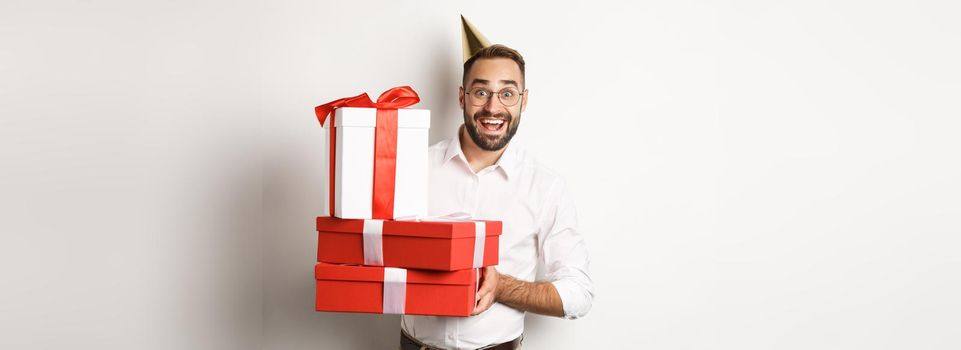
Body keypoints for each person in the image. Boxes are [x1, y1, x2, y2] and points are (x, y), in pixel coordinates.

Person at [399, 44, 594, 350]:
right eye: (480, 92)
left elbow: (578, 294)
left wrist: (502, 287)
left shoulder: (545, 186)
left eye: (507, 93)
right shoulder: (412, 168)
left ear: (523, 101)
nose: (493, 107)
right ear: (462, 96)